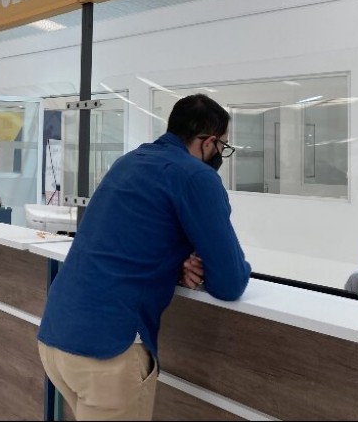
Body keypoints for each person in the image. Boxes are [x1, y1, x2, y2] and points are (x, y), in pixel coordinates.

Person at [37, 94, 251, 421]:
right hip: (107, 351)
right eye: (223, 145)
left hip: (57, 336)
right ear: (208, 142)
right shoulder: (197, 177)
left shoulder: (129, 162)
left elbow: (130, 239)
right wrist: (203, 266)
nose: (221, 153)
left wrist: (176, 264)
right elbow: (231, 282)